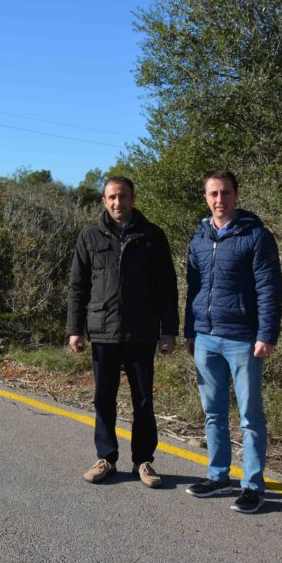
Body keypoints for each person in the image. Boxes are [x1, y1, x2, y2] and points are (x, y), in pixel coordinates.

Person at [67, 176, 178, 487]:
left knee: (143, 401)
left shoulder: (152, 235)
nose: (118, 202)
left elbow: (167, 288)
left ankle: (143, 461)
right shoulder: (89, 236)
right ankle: (106, 458)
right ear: (104, 201)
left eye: (124, 196)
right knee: (103, 399)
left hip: (141, 331)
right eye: (112, 197)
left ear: (133, 198)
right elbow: (77, 286)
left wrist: (168, 331)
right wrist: (75, 329)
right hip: (102, 331)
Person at [184, 170, 282, 514]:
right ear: (205, 197)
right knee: (213, 413)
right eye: (213, 193)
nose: (219, 199)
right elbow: (193, 289)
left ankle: (253, 486)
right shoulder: (199, 237)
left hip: (243, 339)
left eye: (225, 192)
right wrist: (190, 331)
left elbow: (269, 288)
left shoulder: (256, 235)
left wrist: (266, 334)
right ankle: (218, 476)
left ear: (236, 195)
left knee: (250, 416)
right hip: (205, 338)